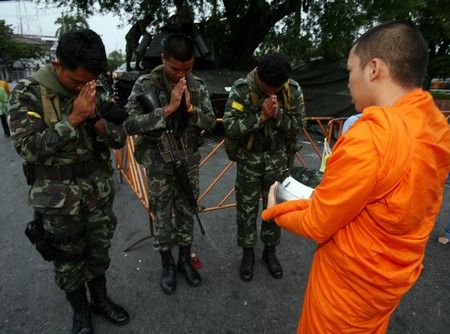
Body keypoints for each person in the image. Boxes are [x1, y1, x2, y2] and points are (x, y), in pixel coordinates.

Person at [263, 21, 450, 333]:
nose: (348, 82)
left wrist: (274, 208)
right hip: (386, 287)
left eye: (351, 70)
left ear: (373, 69)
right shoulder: (435, 126)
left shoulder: (371, 137)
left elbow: (319, 221)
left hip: (346, 290)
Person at [8, 29, 130, 334]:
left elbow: (119, 138)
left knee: (99, 251)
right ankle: (80, 311)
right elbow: (28, 149)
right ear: (57, 64)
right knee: (68, 258)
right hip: (57, 198)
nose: (83, 88)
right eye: (76, 82)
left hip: (97, 191)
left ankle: (100, 300)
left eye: (88, 82)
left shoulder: (94, 88)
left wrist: (98, 122)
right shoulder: (27, 92)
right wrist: (74, 119)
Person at [124, 33, 216, 295]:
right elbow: (129, 124)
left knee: (187, 209)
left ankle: (185, 260)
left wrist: (189, 110)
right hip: (159, 163)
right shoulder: (145, 84)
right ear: (163, 58)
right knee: (162, 215)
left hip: (187, 161)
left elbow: (211, 122)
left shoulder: (195, 85)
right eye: (176, 68)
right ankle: (167, 264)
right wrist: (165, 110)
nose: (181, 75)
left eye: (187, 68)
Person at [223, 53, 306, 282]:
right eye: (268, 88)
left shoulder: (292, 91)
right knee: (246, 210)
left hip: (278, 160)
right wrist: (260, 118)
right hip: (250, 160)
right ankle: (247, 253)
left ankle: (270, 252)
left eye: (277, 89)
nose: (272, 94)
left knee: (274, 209)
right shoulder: (241, 90)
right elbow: (230, 128)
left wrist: (277, 115)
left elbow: (298, 126)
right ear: (258, 75)